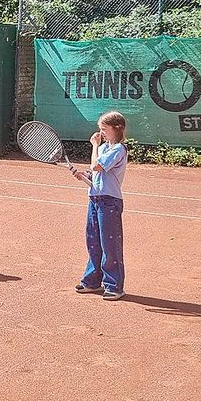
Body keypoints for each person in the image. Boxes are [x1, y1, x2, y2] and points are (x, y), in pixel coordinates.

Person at [73, 111, 128, 301]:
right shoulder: (104, 148)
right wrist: (84, 176)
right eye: (100, 129)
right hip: (95, 199)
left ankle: (114, 286)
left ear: (117, 128)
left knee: (109, 244)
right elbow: (95, 174)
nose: (101, 132)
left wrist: (94, 146)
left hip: (110, 202)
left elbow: (97, 166)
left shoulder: (119, 149)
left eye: (104, 129)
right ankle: (93, 281)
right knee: (93, 242)